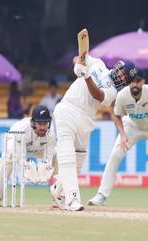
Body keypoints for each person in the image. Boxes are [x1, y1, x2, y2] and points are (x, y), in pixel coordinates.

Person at [88, 62, 148, 208]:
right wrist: (122, 134)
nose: (134, 84)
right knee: (115, 155)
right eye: (132, 81)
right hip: (132, 126)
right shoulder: (122, 95)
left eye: (138, 81)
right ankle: (101, 195)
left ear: (143, 82)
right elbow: (116, 115)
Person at [51, 55, 128, 211]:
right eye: (122, 72)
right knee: (67, 156)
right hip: (67, 109)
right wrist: (78, 65)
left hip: (86, 119)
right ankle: (72, 199)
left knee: (78, 162)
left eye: (124, 78)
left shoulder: (113, 92)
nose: (121, 76)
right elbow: (80, 57)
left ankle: (59, 191)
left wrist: (86, 76)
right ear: (117, 67)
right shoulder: (98, 63)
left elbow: (98, 95)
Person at [0, 105, 56, 206]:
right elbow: (15, 150)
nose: (43, 127)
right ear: (33, 123)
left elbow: (48, 158)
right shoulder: (21, 128)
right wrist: (26, 166)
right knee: (9, 156)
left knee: (57, 156)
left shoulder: (51, 134)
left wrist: (45, 168)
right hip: (17, 144)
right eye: (39, 124)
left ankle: (59, 196)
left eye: (45, 123)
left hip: (38, 149)